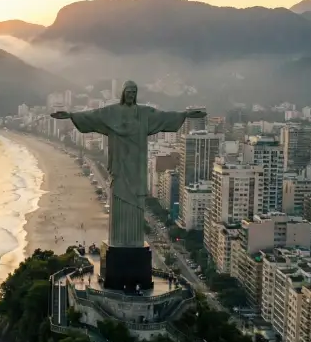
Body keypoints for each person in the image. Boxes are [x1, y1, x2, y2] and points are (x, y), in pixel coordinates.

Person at [51, 81, 206, 248]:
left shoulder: (144, 113)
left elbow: (164, 117)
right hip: (119, 165)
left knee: (136, 200)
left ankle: (134, 241)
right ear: (123, 93)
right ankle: (118, 240)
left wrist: (185, 115)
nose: (131, 95)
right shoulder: (111, 112)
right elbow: (92, 115)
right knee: (118, 197)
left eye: (134, 92)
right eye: (129, 91)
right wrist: (70, 115)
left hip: (137, 166)